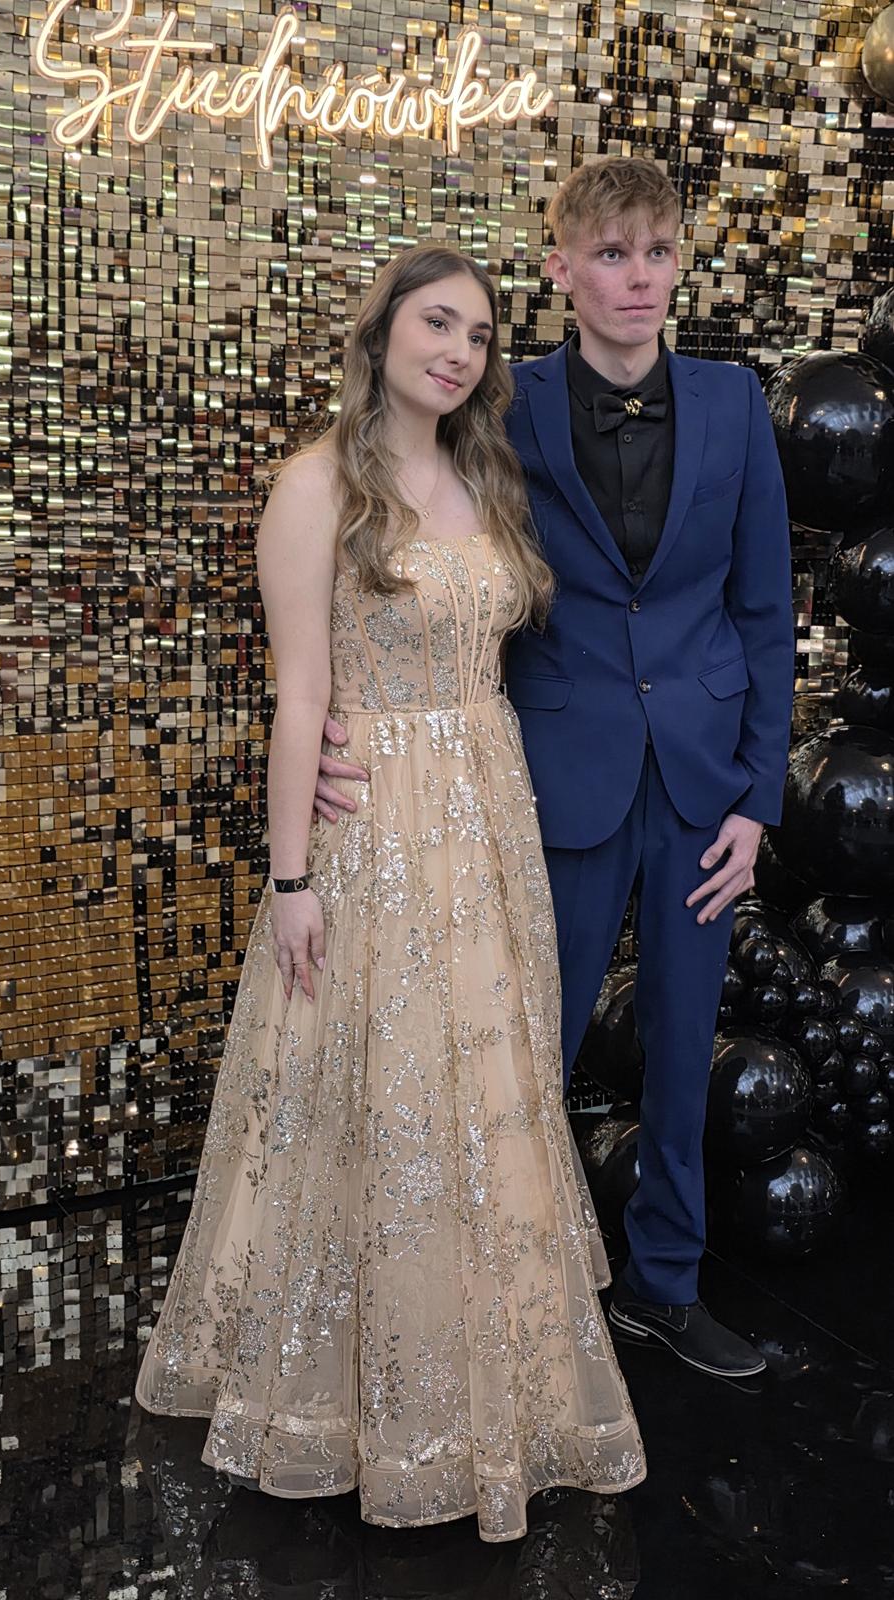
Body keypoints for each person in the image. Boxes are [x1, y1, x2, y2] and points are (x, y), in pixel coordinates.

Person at [135, 243, 645, 1542]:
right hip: (376, 829)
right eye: (437, 323)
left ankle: (486, 1371)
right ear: (382, 334)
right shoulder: (319, 483)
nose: (459, 351)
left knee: (483, 1089)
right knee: (379, 1090)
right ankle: (360, 1392)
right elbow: (300, 694)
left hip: (489, 819)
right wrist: (291, 876)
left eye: (478, 334)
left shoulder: (486, 476)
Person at [315, 158, 795, 1382]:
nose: (639, 278)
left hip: (701, 779)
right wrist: (340, 715)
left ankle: (664, 1285)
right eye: (612, 254)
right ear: (561, 269)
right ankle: (495, 1298)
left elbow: (762, 607)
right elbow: (398, 524)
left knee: (684, 1045)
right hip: (547, 771)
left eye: (658, 253)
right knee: (524, 1042)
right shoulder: (500, 399)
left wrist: (756, 798)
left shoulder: (736, 402)